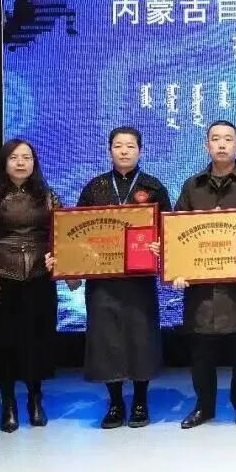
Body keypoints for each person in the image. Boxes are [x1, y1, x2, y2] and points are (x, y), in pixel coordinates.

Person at [71, 127, 172, 429]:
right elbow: (76, 231)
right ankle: (115, 403)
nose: (124, 151)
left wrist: (160, 245)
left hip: (139, 279)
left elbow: (169, 229)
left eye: (130, 146)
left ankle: (140, 401)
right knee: (107, 340)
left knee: (141, 338)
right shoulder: (95, 187)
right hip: (103, 279)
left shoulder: (153, 187)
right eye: (118, 146)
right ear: (109, 151)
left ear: (140, 151)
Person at [173, 120, 236, 429]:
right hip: (202, 287)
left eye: (228, 139)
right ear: (207, 146)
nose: (222, 144)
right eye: (215, 139)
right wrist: (178, 270)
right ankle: (204, 407)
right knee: (201, 352)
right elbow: (177, 232)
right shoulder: (192, 186)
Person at [0, 139, 61, 433]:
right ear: (4, 162)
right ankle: (8, 403)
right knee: (4, 343)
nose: (21, 162)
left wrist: (58, 259)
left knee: (37, 341)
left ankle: (35, 400)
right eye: (14, 157)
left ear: (34, 163)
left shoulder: (47, 195)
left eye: (27, 157)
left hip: (39, 277)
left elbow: (63, 232)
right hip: (3, 277)